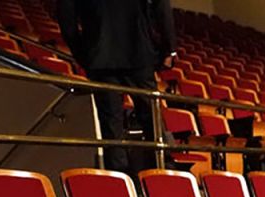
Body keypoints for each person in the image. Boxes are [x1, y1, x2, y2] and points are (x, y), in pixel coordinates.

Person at [56, 0, 176, 176]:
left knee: (111, 123)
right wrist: (169, 48)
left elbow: (66, 18)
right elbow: (162, 8)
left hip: (101, 55)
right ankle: (162, 170)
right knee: (150, 116)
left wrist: (84, 54)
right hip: (138, 51)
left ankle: (119, 178)